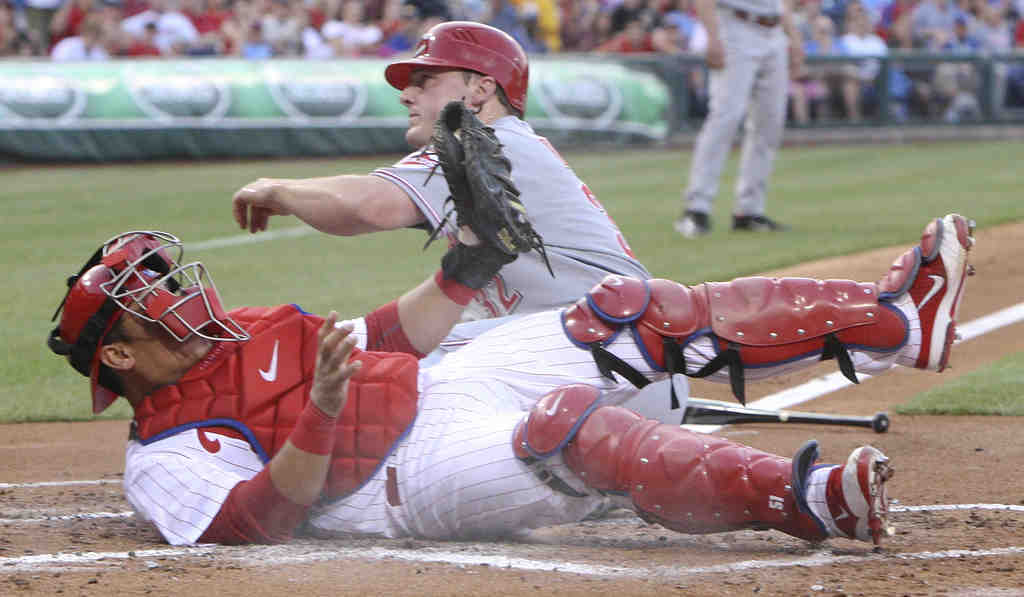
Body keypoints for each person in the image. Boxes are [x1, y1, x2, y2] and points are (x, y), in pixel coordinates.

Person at [47, 207, 975, 547]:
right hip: (392, 482)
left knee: (627, 308)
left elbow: (382, 333)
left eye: (164, 276)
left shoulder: (242, 330)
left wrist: (463, 264)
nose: (176, 293)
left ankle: (901, 320)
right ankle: (810, 499)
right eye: (147, 296)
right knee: (569, 428)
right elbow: (252, 523)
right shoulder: (163, 452)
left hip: (440, 380)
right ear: (119, 355)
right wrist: (324, 412)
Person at [231, 20, 650, 330]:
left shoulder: (484, 142)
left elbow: (369, 207)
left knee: (349, 363)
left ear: (480, 90)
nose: (405, 94)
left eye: (425, 79)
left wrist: (276, 189)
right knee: (357, 346)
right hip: (597, 342)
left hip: (596, 349)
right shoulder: (504, 142)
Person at [674, 0, 805, 238]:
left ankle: (749, 210)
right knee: (724, 119)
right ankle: (696, 208)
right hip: (735, 27)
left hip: (774, 32)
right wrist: (713, 37)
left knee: (769, 125)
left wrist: (793, 38)